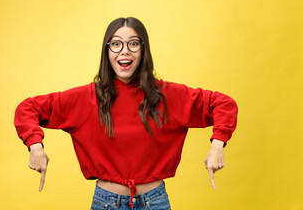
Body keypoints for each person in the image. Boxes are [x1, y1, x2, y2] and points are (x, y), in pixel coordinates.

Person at [14, 17, 238, 210]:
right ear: (107, 50)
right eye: (116, 44)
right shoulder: (87, 98)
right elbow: (28, 108)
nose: (125, 51)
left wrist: (218, 144)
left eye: (133, 44)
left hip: (155, 201)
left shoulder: (168, 96)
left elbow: (223, 104)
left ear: (143, 50)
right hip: (107, 202)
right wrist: (35, 145)